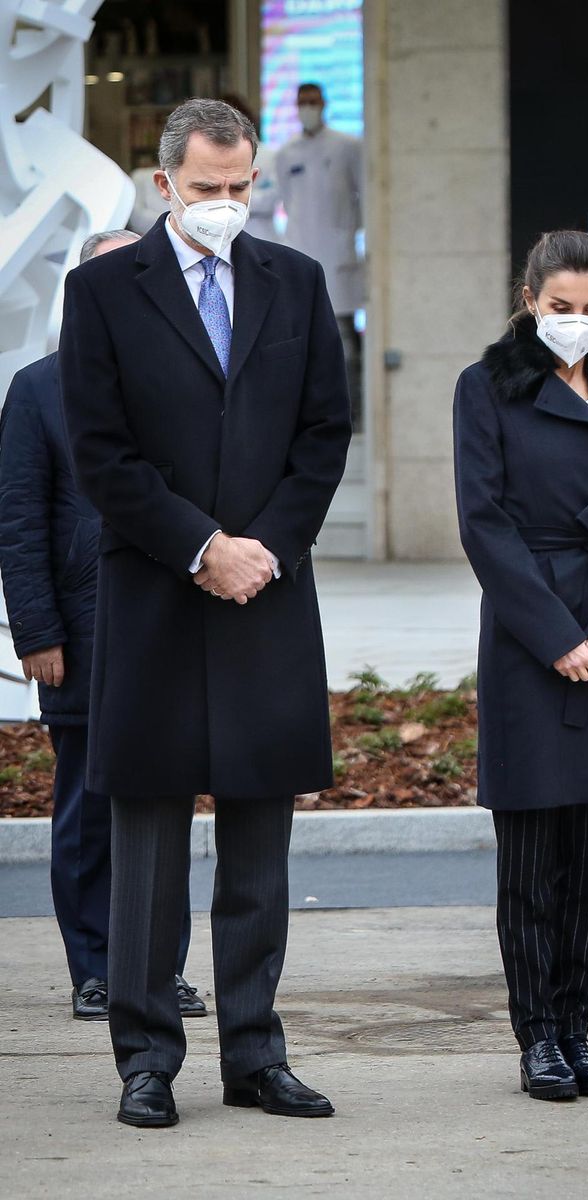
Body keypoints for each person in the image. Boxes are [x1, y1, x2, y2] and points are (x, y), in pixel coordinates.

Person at [59, 99, 351, 1129]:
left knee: (260, 846)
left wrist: (263, 548)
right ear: (164, 182)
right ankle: (146, 1057)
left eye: (242, 187)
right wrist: (201, 546)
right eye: (208, 189)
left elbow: (324, 432)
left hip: (267, 594)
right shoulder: (101, 291)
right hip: (156, 595)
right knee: (146, 845)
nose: (229, 206)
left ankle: (255, 1053)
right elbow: (100, 450)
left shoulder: (297, 282)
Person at [453, 230, 588, 1101]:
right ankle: (537, 1035)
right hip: (529, 635)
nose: (578, 325)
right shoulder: (487, 387)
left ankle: (579, 1028)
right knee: (532, 856)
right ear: (529, 299)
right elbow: (485, 523)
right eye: (561, 310)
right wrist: (558, 636)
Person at [0, 230, 205, 1024]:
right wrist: (37, 633)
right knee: (90, 810)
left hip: (171, 634)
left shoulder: (186, 385)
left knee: (168, 802)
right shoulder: (38, 389)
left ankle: (162, 969)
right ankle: (96, 968)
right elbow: (19, 525)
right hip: (82, 638)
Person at [275, 82, 363, 423]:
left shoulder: (347, 146)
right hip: (300, 249)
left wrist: (350, 236)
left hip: (338, 253)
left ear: (324, 104)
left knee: (343, 339)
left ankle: (351, 411)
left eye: (312, 101)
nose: (307, 108)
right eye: (302, 102)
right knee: (301, 335)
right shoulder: (287, 153)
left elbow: (364, 199)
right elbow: (287, 200)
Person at [220, 94, 282, 243]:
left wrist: (231, 199)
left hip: (261, 233)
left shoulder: (269, 155)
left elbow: (271, 198)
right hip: (225, 237)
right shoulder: (214, 157)